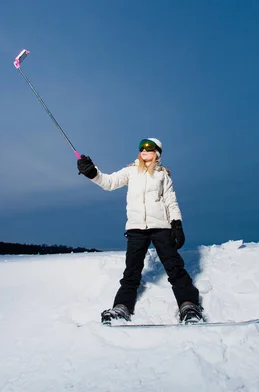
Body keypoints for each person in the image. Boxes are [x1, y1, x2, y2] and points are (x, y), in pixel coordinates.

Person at [77, 138, 203, 325]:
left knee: (174, 267)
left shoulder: (163, 176)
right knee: (131, 271)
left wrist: (176, 224)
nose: (144, 150)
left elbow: (171, 202)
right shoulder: (130, 171)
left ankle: (189, 306)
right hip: (136, 228)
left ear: (157, 153)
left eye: (149, 147)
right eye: (141, 147)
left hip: (161, 227)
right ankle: (121, 307)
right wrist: (92, 172)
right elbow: (109, 182)